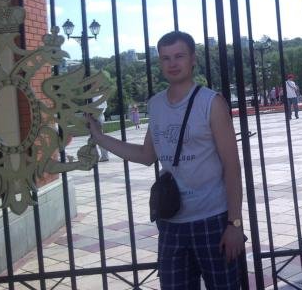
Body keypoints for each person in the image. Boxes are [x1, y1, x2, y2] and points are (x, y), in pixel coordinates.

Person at [86, 31, 244, 289]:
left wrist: (234, 223)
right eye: (165, 58)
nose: (172, 63)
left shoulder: (211, 103)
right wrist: (101, 138)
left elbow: (232, 166)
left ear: (193, 59)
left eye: (179, 56)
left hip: (212, 219)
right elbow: (146, 155)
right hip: (171, 222)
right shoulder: (156, 105)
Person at [95, 97, 109, 162]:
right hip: (99, 115)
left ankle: (104, 155)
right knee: (97, 136)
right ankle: (103, 155)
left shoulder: (96, 96)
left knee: (97, 136)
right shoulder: (101, 95)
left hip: (97, 115)